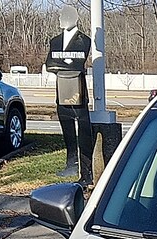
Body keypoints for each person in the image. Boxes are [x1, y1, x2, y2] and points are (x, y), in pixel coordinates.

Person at [46, 5, 94, 184]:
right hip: (61, 91)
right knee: (67, 130)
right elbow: (50, 64)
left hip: (78, 91)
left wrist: (64, 63)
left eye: (64, 16)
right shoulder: (54, 41)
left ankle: (86, 171)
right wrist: (67, 63)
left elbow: (78, 62)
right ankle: (70, 164)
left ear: (72, 19)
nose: (60, 19)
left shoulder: (84, 40)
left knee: (84, 132)